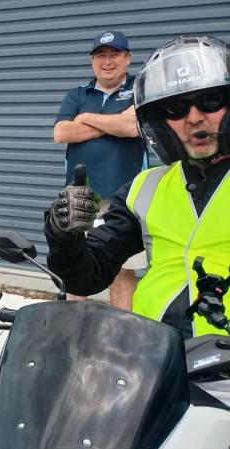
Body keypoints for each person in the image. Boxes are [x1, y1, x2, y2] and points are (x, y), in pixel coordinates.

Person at [45, 35, 230, 339]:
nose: (194, 118)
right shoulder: (144, 189)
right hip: (150, 356)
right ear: (158, 121)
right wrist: (65, 237)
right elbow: (87, 276)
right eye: (175, 109)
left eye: (210, 102)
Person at [53, 31, 148, 309]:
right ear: (93, 62)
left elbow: (133, 127)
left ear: (127, 58)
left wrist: (86, 120)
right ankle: (73, 327)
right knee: (74, 265)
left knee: (122, 268)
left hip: (124, 199)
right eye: (101, 55)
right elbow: (61, 133)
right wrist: (115, 122)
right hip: (78, 195)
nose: (107, 62)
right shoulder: (78, 94)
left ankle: (123, 333)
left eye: (114, 54)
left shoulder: (139, 89)